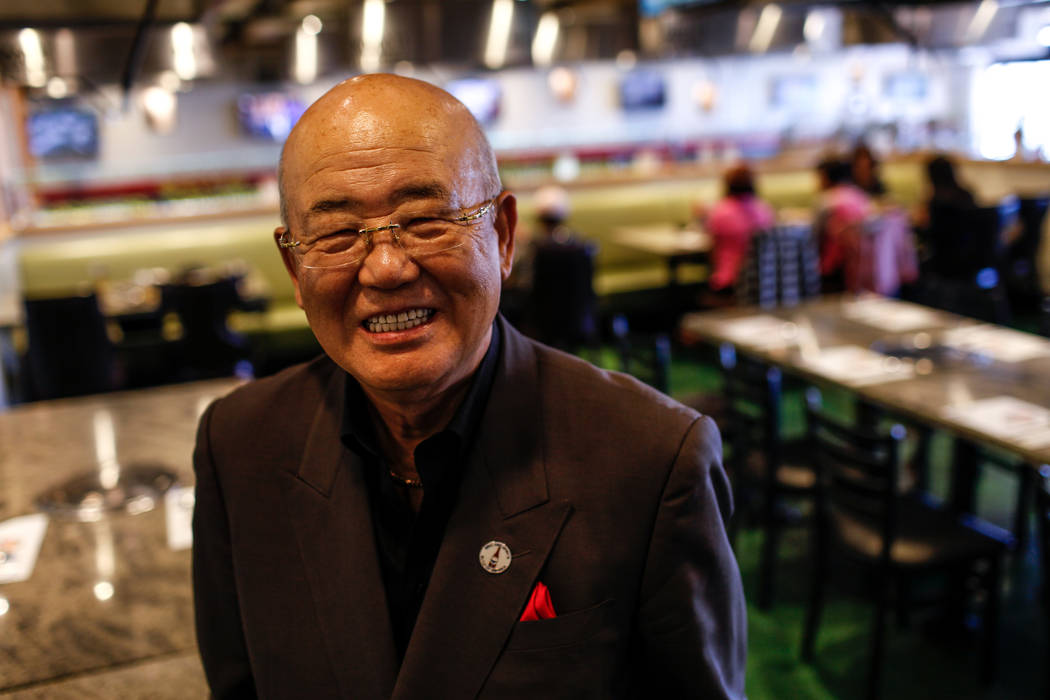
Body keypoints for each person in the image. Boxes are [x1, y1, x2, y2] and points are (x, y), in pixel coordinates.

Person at [192, 74, 746, 699]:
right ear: (295, 268)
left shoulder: (652, 459)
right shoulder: (238, 444)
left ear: (503, 235)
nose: (386, 267)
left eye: (427, 219)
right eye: (338, 234)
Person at [700, 164, 775, 302]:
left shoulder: (719, 212)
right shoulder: (763, 209)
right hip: (764, 281)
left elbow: (711, 247)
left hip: (729, 282)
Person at [814, 156, 873, 293]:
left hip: (835, 265)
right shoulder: (860, 196)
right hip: (863, 261)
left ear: (826, 177)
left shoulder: (826, 200)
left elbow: (815, 233)